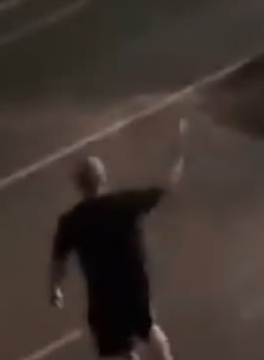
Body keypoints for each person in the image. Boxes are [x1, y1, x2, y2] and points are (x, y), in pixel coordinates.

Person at [49, 120, 188, 359]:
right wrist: (179, 149)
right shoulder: (123, 204)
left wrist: (55, 289)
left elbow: (58, 259)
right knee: (148, 329)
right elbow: (167, 185)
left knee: (116, 350)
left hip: (102, 296)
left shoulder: (71, 221)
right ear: (103, 178)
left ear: (79, 185)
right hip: (132, 286)